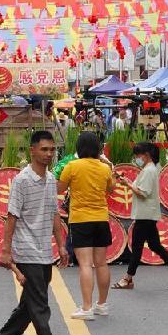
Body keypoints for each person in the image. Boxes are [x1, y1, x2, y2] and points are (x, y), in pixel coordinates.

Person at [0, 130, 72, 335]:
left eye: (51, 149)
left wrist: (61, 245)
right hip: (26, 250)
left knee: (31, 299)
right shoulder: (22, 180)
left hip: (44, 250)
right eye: (44, 149)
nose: (49, 154)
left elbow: (53, 215)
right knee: (40, 302)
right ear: (32, 150)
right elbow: (12, 216)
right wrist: (6, 250)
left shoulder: (50, 180)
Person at [112, 142, 168, 291]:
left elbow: (143, 192)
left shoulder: (148, 171)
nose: (136, 158)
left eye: (137, 155)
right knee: (155, 245)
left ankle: (127, 279)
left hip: (144, 215)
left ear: (146, 155)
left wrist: (128, 185)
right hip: (148, 214)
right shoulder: (150, 169)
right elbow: (140, 189)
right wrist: (127, 182)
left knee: (137, 248)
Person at [57, 131, 114, 320]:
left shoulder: (72, 166)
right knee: (102, 263)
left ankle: (87, 307)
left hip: (81, 219)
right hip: (101, 218)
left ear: (79, 148)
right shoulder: (105, 168)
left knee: (85, 265)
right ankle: (102, 305)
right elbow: (111, 189)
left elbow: (60, 188)